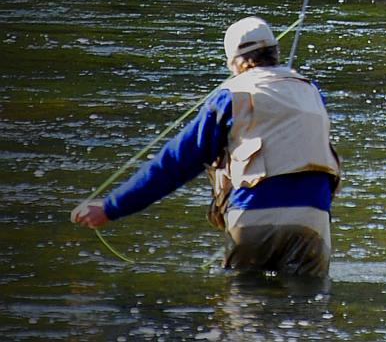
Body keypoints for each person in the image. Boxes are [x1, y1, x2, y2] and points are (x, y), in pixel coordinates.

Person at [71, 16, 342, 277]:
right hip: (314, 220)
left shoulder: (230, 95)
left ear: (236, 63)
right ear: (275, 53)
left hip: (254, 217)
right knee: (308, 315)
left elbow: (175, 164)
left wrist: (112, 206)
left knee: (243, 313)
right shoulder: (312, 92)